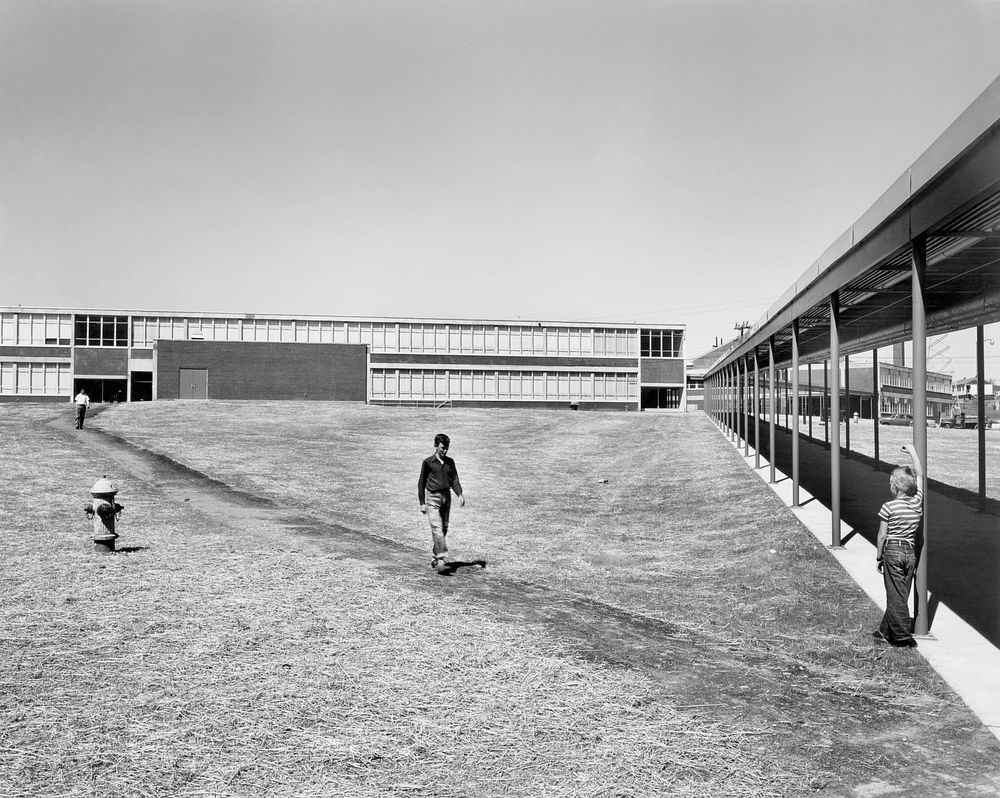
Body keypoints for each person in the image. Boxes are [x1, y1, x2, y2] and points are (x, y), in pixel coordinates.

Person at [873, 443, 923, 648]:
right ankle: (883, 632)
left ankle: (902, 638)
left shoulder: (888, 507)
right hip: (910, 552)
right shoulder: (917, 501)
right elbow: (920, 474)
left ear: (895, 487)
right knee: (901, 593)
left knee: (895, 594)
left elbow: (882, 535)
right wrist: (912, 451)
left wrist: (878, 557)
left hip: (892, 550)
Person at [417, 433, 465, 573]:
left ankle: (435, 556)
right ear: (436, 446)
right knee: (437, 528)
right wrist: (422, 502)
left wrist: (460, 494)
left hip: (446, 497)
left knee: (443, 529)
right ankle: (442, 559)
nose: (445, 450)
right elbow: (421, 482)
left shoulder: (450, 462)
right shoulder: (428, 462)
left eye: (447, 448)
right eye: (443, 447)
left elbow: (454, 480)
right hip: (432, 498)